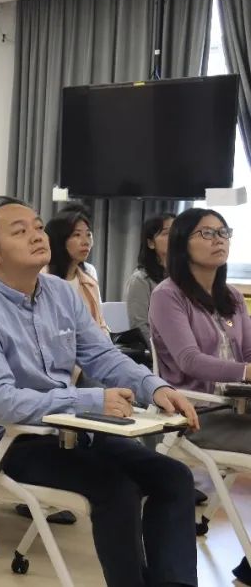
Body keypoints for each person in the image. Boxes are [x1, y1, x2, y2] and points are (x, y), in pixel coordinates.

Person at [0, 196, 200, 587]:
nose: (37, 235)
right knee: (117, 489)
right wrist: (90, 399)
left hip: (77, 429)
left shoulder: (61, 292)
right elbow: (0, 402)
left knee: (174, 477)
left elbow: (102, 356)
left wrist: (154, 388)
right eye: (20, 231)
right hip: (15, 441)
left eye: (37, 226)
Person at [150, 208, 251, 583]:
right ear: (182, 242)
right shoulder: (168, 295)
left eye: (223, 232)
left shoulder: (231, 296)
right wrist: (246, 372)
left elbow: (249, 352)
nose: (218, 240)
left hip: (237, 408)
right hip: (195, 414)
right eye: (206, 233)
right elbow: (189, 361)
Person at [46, 208, 107, 333]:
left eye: (88, 234)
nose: (86, 242)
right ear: (59, 240)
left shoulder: (89, 283)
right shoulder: (41, 279)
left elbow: (100, 325)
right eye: (77, 235)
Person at [125, 214, 174, 345]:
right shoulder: (141, 280)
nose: (175, 237)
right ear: (151, 243)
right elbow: (140, 327)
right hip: (161, 351)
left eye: (177, 232)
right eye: (167, 233)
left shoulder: (185, 277)